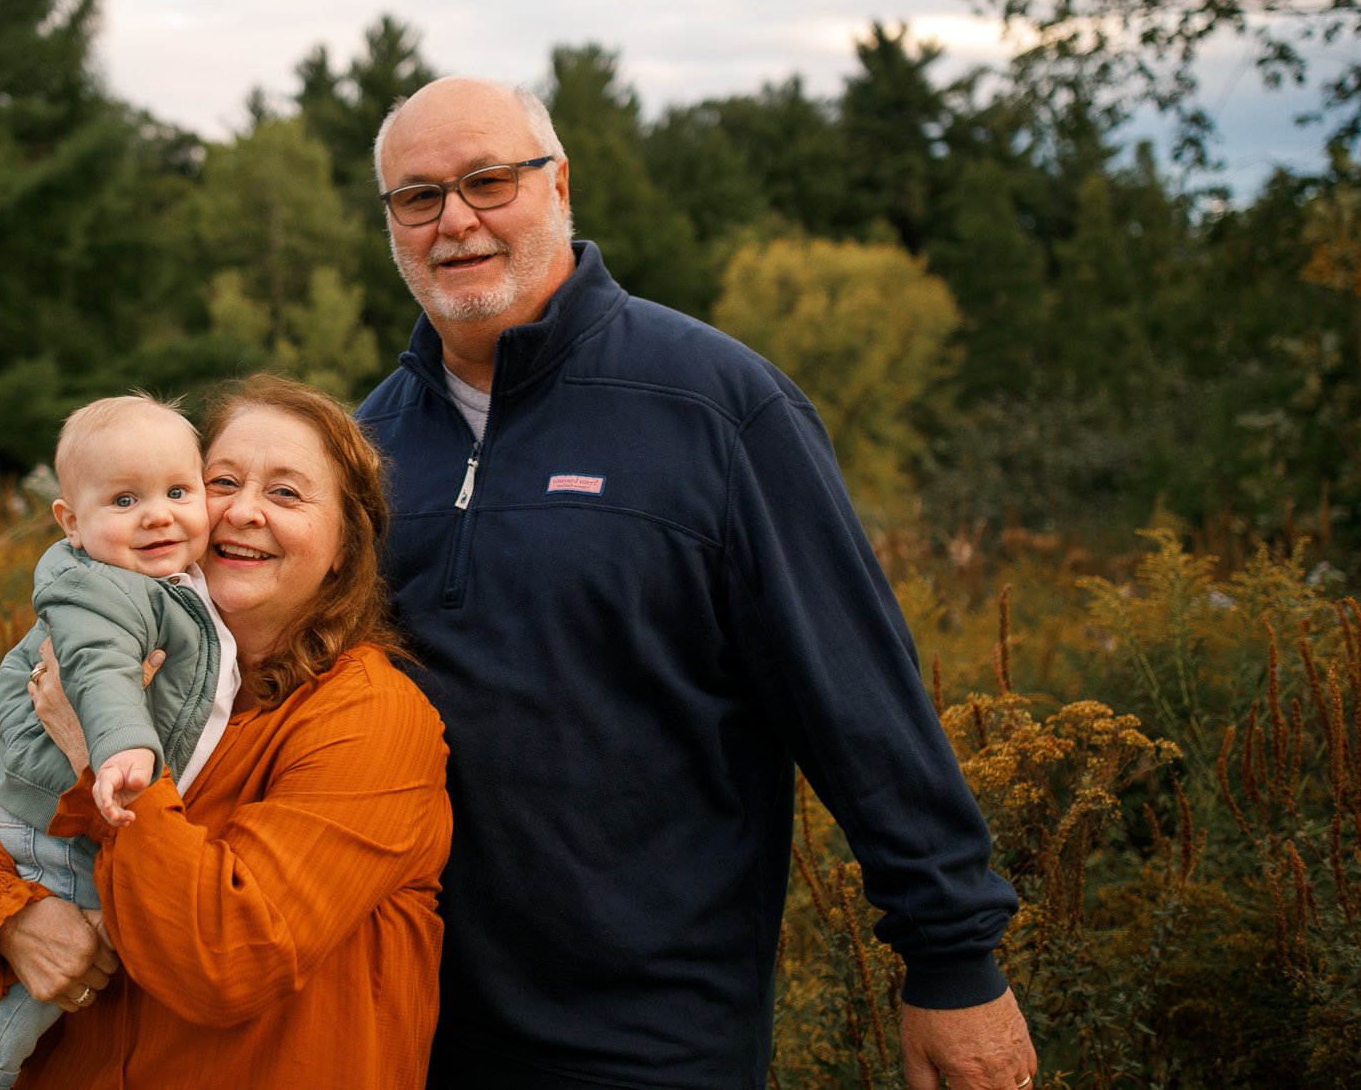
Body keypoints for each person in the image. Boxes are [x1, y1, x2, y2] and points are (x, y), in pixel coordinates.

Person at [353, 76, 1039, 1090]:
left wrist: (952, 956)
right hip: (405, 1026)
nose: (454, 220)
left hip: (653, 1037)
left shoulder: (713, 407)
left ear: (558, 186)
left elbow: (852, 692)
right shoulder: (365, 444)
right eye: (418, 197)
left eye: (487, 182)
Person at [0, 375, 452, 1090]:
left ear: (343, 547)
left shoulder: (370, 717)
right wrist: (12, 915)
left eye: (287, 493)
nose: (243, 511)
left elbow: (226, 957)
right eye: (220, 481)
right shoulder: (149, 663)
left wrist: (94, 752)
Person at [0, 394, 242, 1088]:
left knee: (67, 933)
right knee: (70, 940)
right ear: (72, 523)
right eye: (125, 499)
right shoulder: (104, 590)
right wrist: (123, 747)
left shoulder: (172, 580)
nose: (159, 513)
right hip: (67, 809)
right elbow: (101, 669)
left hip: (64, 800)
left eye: (177, 490)